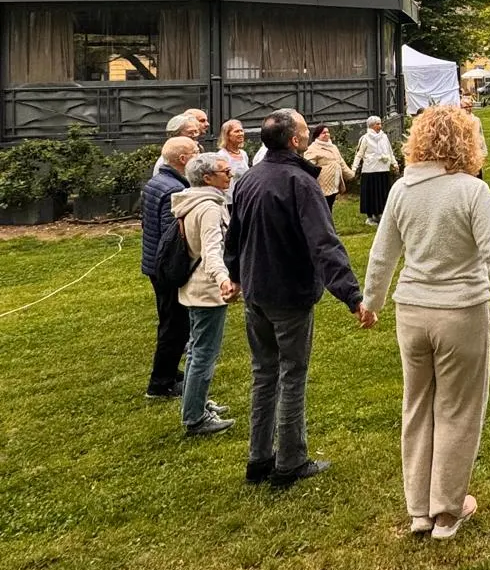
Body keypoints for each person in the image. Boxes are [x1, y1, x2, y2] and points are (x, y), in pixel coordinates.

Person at [361, 104, 490, 538]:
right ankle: (446, 510)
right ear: (466, 142)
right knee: (458, 409)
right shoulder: (472, 191)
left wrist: (371, 302)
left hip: (412, 312)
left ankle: (419, 510)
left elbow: (382, 254)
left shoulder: (401, 190)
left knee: (416, 406)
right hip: (461, 312)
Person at [224, 110, 376, 488]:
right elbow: (324, 244)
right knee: (291, 374)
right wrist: (353, 296)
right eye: (305, 130)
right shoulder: (300, 182)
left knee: (264, 374)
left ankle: (259, 458)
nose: (309, 134)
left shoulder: (249, 179)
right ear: (294, 141)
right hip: (287, 293)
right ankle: (289, 461)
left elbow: (234, 238)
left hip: (256, 291)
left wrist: (235, 276)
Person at [171, 152, 239, 437]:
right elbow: (212, 251)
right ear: (207, 178)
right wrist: (223, 279)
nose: (230, 176)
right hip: (207, 290)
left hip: (194, 286)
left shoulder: (190, 200)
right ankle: (196, 418)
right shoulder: (209, 208)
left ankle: (195, 403)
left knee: (196, 350)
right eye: (225, 172)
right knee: (203, 354)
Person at [141, 135, 200, 399]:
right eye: (195, 152)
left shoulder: (157, 182)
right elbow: (172, 236)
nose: (199, 155)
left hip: (154, 264)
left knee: (170, 322)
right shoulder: (174, 190)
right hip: (166, 268)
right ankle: (160, 384)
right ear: (183, 159)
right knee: (175, 326)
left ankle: (169, 371)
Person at [351, 116, 399, 223]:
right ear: (371, 125)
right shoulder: (365, 138)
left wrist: (394, 163)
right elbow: (359, 154)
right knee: (371, 193)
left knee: (383, 193)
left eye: (380, 123)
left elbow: (389, 151)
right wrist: (354, 168)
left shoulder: (384, 137)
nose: (380, 126)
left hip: (383, 169)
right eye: (377, 124)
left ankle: (381, 213)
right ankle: (370, 216)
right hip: (370, 170)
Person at [304, 125, 355, 215]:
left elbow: (341, 162)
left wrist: (350, 174)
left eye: (328, 132)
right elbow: (308, 166)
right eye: (323, 133)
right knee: (322, 209)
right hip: (321, 186)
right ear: (317, 135)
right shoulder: (313, 149)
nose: (326, 134)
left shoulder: (333, 147)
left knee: (329, 207)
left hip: (334, 185)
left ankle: (328, 222)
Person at [216, 120, 249, 196]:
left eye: (241, 131)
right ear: (227, 135)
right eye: (236, 131)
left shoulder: (243, 154)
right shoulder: (222, 155)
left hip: (243, 196)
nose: (241, 134)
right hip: (229, 197)